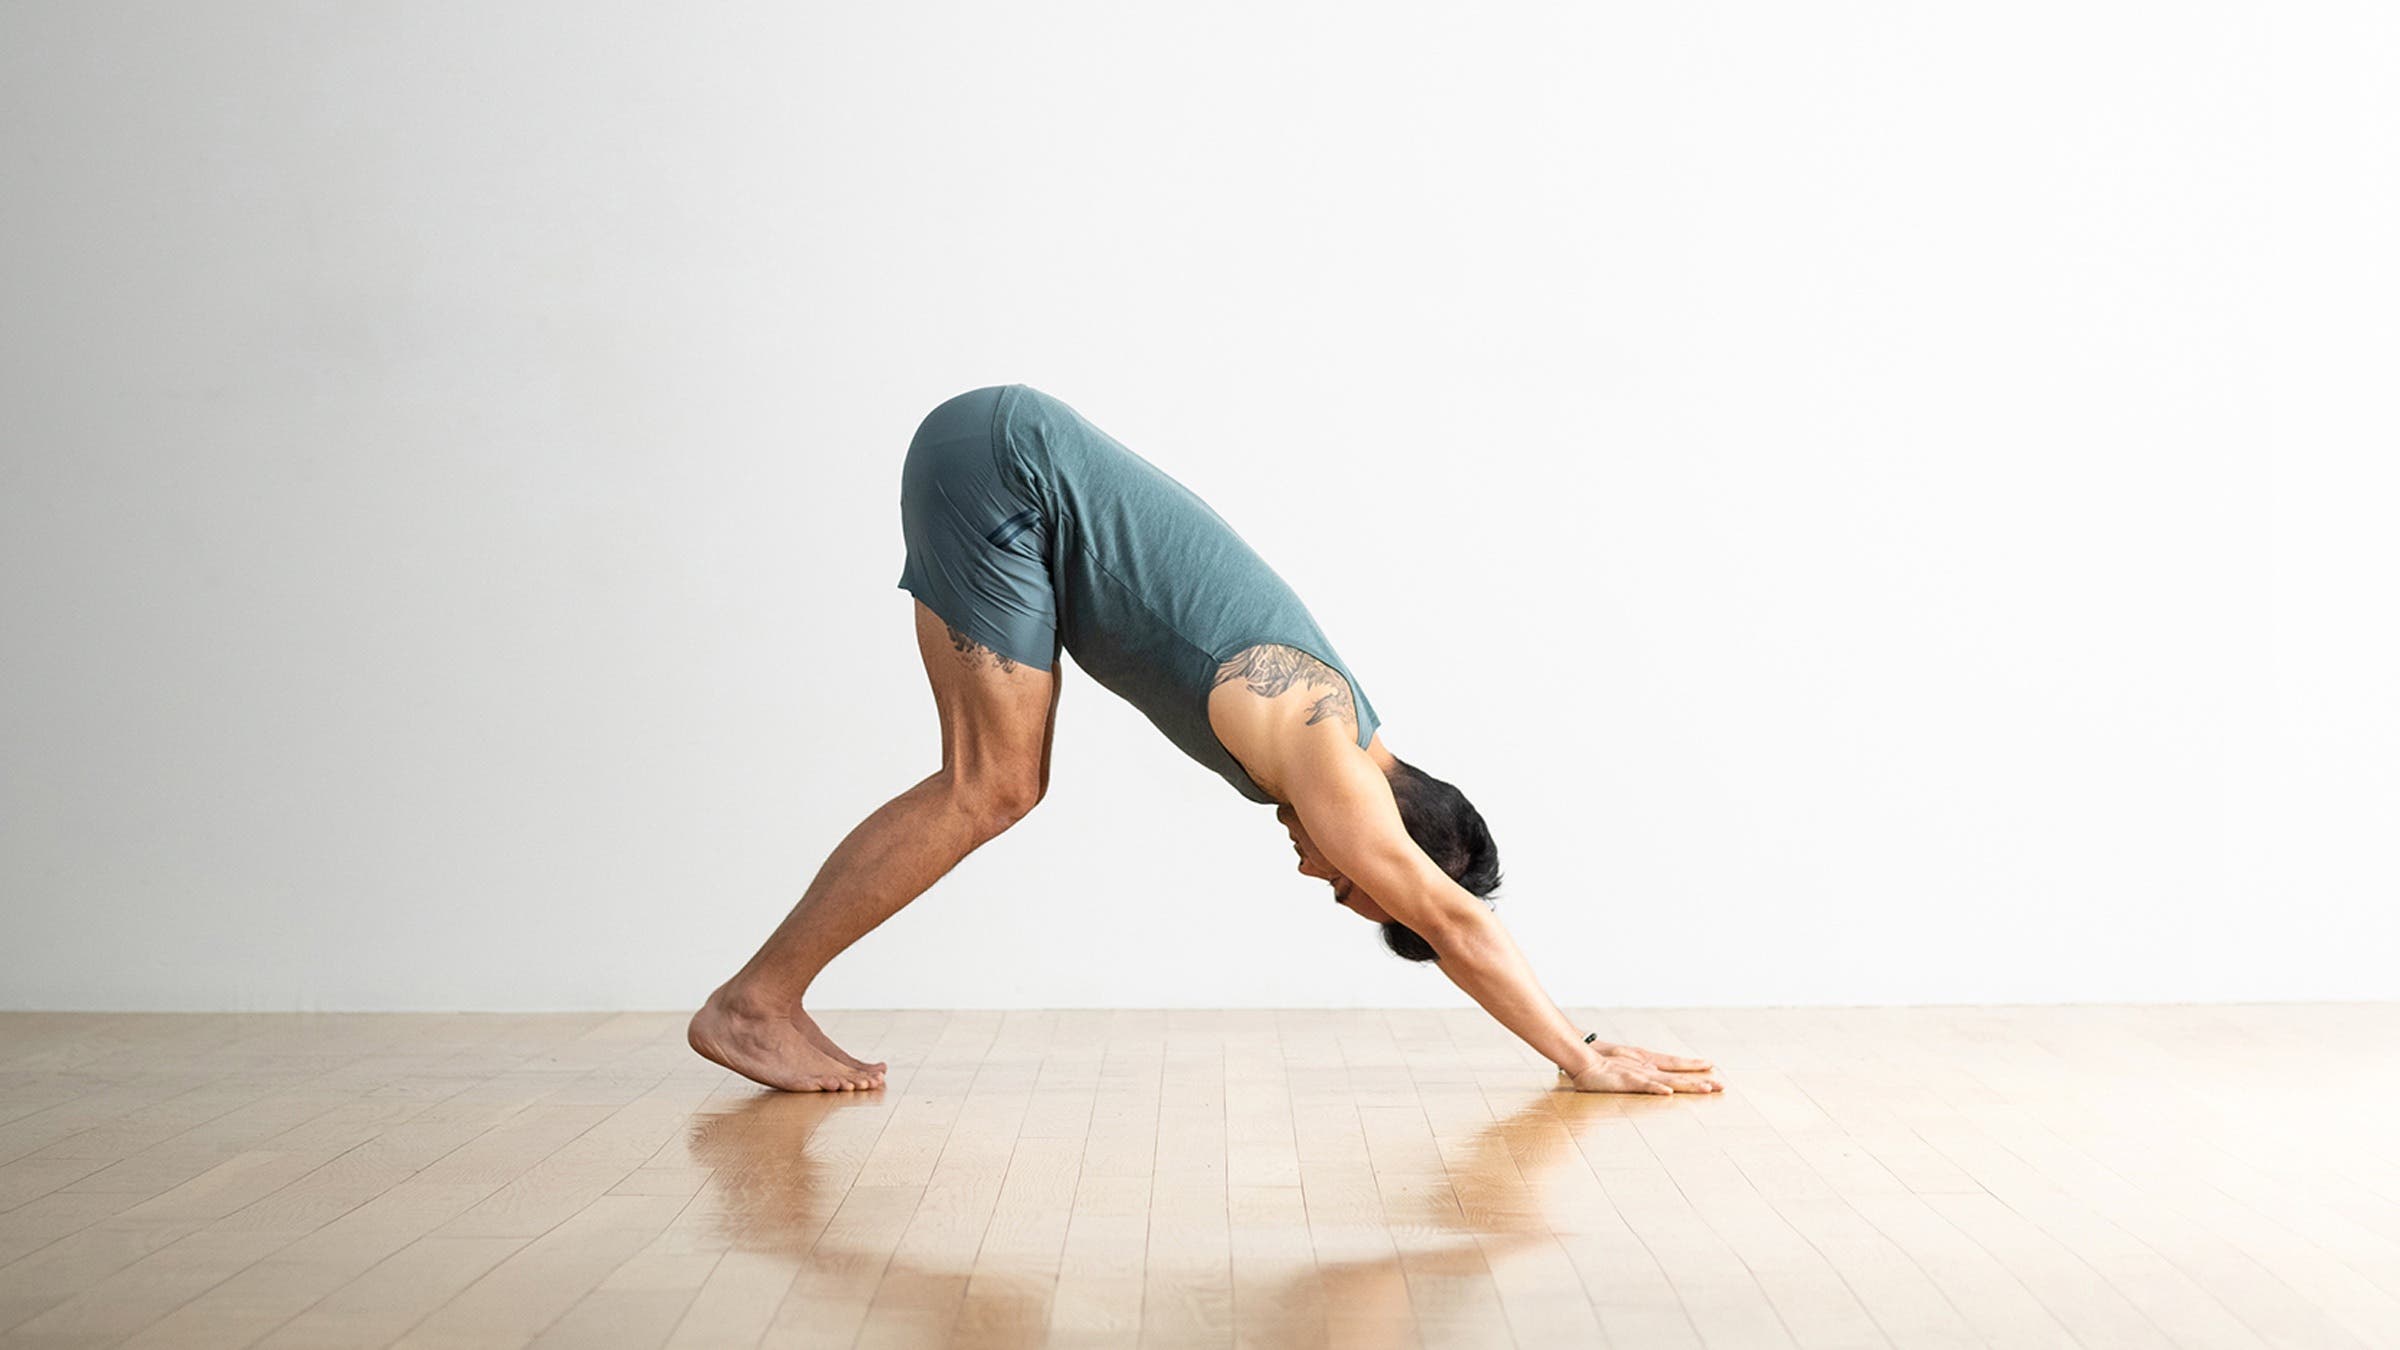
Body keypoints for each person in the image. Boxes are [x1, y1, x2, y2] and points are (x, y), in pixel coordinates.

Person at [687, 384, 1721, 1096]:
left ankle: (762, 998)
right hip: (1009, 468)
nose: (1320, 874)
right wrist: (1580, 1055)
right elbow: (1455, 921)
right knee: (992, 786)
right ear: (1398, 834)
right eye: (1350, 883)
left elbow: (1438, 910)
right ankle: (755, 1004)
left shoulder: (1323, 727)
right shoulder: (1328, 747)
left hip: (1005, 459)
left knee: (1001, 782)